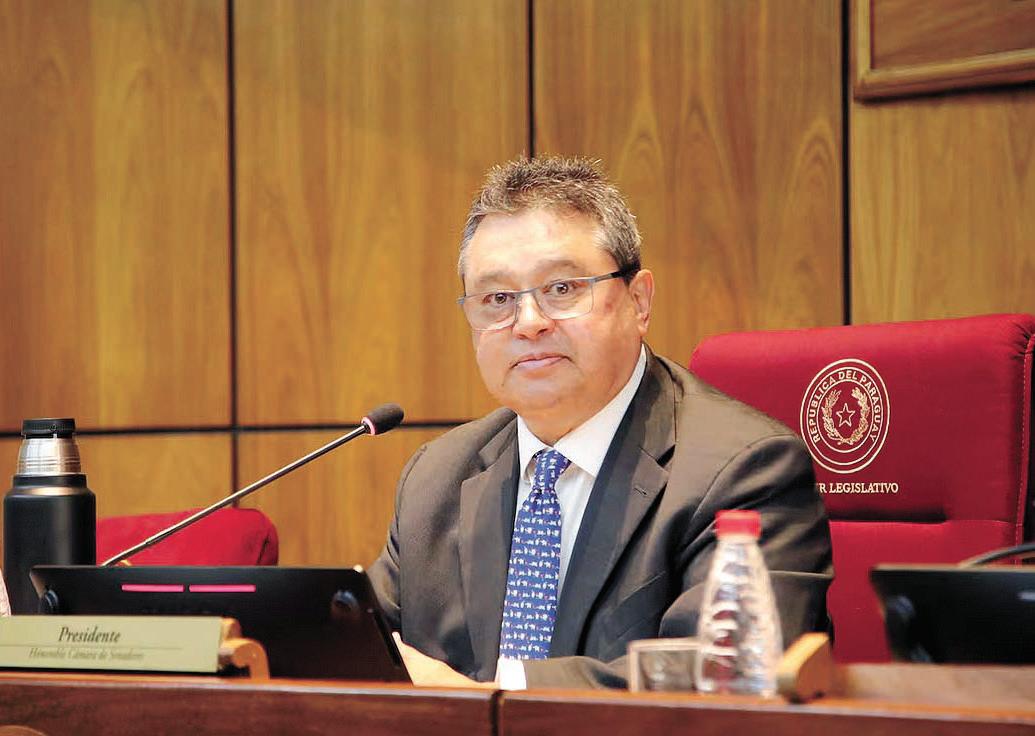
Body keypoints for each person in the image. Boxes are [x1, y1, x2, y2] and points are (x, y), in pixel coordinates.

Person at [368, 156, 832, 689]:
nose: (528, 323)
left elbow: (728, 677)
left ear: (638, 301)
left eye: (562, 289)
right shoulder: (436, 478)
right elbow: (362, 650)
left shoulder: (744, 472)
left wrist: (482, 699)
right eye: (497, 299)